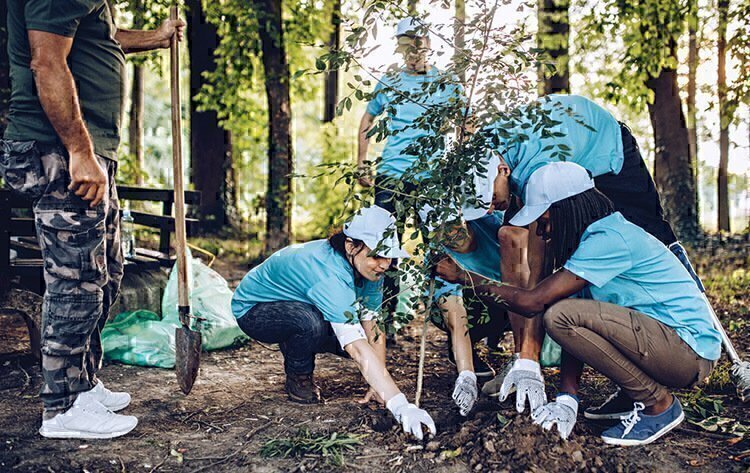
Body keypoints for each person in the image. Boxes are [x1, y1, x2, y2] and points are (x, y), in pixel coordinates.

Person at [0, 1, 184, 439]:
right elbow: (46, 62)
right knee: (78, 278)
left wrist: (154, 39)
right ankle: (62, 408)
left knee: (107, 272)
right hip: (59, 149)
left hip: (87, 149)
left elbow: (100, 37)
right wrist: (80, 152)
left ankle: (81, 384)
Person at [437, 162, 720, 446]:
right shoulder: (590, 243)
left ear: (566, 209)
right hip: (668, 346)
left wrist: (464, 277)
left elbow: (534, 303)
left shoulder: (608, 239)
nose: (541, 232)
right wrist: (567, 399)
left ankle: (658, 405)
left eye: (544, 221)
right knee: (565, 313)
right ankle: (632, 394)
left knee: (558, 314)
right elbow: (574, 330)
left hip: (687, 353)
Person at [480, 94, 693, 411]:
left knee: (650, 235)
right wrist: (524, 360)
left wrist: (531, 358)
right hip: (560, 148)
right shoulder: (485, 148)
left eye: (491, 197)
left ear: (502, 171)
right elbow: (516, 247)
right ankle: (523, 361)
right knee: (511, 234)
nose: (491, 206)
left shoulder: (541, 167)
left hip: (605, 148)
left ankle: (660, 362)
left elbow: (537, 274)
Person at [231, 206, 437, 440]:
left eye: (388, 255)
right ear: (351, 246)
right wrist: (400, 405)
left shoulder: (369, 269)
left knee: (346, 335)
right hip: (255, 311)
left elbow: (372, 325)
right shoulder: (329, 274)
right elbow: (358, 348)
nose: (384, 264)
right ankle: (298, 376)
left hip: (301, 302)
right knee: (311, 324)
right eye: (377, 255)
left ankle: (298, 340)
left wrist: (379, 385)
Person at [357, 17, 466, 326]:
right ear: (400, 48)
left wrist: (460, 165)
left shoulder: (447, 83)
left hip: (432, 178)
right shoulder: (390, 81)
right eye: (407, 45)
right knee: (382, 243)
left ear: (430, 44)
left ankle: (445, 318)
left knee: (439, 245)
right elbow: (367, 121)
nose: (415, 50)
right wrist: (362, 161)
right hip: (392, 175)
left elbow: (465, 125)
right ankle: (381, 318)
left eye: (419, 43)